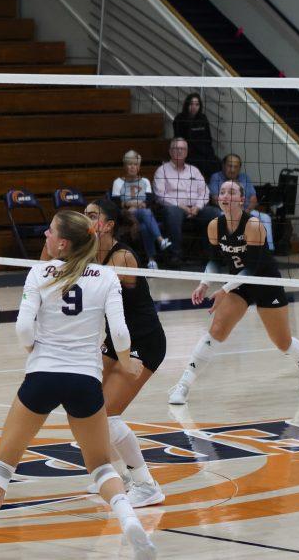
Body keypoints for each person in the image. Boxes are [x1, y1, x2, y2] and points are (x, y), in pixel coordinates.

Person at [0, 210, 156, 560]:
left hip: (42, 377)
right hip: (84, 381)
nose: (44, 234)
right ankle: (130, 521)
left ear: (62, 243)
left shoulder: (38, 273)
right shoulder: (106, 275)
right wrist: (126, 364)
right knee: (102, 466)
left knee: (2, 465)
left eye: (50, 231)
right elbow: (120, 333)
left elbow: (23, 330)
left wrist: (35, 351)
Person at [168, 179, 299, 405]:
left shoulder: (253, 225)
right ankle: (183, 385)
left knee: (282, 342)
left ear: (241, 199)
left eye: (232, 192)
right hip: (240, 285)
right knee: (217, 329)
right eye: (222, 192)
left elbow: (252, 268)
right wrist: (204, 284)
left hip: (265, 282)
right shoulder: (214, 226)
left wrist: (224, 290)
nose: (226, 195)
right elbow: (215, 262)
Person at [86, 198, 166, 507]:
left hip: (143, 341)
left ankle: (146, 484)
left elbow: (98, 305)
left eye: (93, 216)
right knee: (88, 409)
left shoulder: (120, 257)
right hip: (118, 341)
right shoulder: (92, 255)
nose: (86, 221)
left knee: (107, 415)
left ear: (107, 225)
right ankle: (112, 475)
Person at [153, 138, 219, 264]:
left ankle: (211, 255)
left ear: (187, 152)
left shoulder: (194, 170)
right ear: (170, 151)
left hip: (196, 208)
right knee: (173, 212)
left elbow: (204, 191)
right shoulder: (162, 170)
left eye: (182, 149)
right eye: (176, 148)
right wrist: (181, 206)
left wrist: (198, 207)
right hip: (173, 207)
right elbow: (160, 195)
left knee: (215, 214)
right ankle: (175, 255)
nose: (179, 151)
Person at [110, 149, 172, 268]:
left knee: (144, 226)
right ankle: (160, 240)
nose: (133, 167)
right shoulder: (118, 182)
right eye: (130, 164)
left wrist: (129, 203)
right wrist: (132, 205)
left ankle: (151, 260)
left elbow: (148, 202)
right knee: (145, 212)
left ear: (139, 166)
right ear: (125, 166)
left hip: (143, 215)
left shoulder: (145, 181)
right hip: (127, 216)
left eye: (135, 164)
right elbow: (116, 203)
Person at [209, 153, 275, 252]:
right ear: (223, 165)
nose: (232, 169)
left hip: (245, 211)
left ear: (239, 168)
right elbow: (214, 199)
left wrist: (247, 211)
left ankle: (269, 250)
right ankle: (231, 253)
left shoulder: (245, 178)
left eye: (236, 167)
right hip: (224, 212)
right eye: (229, 166)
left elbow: (253, 199)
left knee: (265, 218)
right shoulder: (216, 177)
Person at [173, 93, 219, 178]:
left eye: (197, 104)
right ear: (187, 105)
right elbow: (179, 140)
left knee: (217, 162)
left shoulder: (203, 118)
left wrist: (209, 153)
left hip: (204, 153)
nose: (194, 107)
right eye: (191, 104)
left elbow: (208, 140)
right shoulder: (179, 119)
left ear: (200, 106)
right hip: (188, 154)